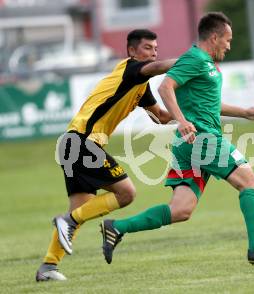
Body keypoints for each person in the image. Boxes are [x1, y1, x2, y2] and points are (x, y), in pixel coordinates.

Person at [100, 12, 254, 265]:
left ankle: (117, 227)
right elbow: (164, 87)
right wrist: (182, 121)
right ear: (214, 37)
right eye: (227, 39)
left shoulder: (208, 63)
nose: (229, 45)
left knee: (181, 210)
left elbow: (209, 105)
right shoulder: (195, 58)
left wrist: (244, 113)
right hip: (201, 140)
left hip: (189, 145)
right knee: (251, 182)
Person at [36, 29, 175, 281]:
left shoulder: (140, 86)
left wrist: (190, 115)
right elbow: (158, 67)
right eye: (147, 48)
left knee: (81, 210)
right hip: (82, 143)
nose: (153, 52)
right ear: (132, 51)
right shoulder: (131, 70)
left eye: (155, 48)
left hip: (73, 144)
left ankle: (48, 266)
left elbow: (161, 117)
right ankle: (65, 221)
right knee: (126, 193)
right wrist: (195, 61)